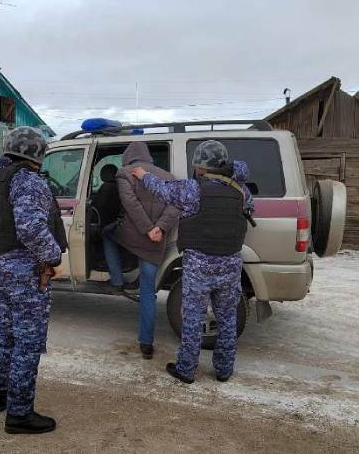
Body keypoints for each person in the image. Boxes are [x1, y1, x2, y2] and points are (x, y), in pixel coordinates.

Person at [132, 140, 253, 383]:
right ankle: (224, 370)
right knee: (227, 319)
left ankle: (186, 370)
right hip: (230, 265)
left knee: (193, 320)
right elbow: (247, 212)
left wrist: (143, 175)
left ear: (200, 165)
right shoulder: (242, 191)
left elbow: (163, 189)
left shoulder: (193, 190)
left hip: (199, 267)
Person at [0, 126, 67, 434]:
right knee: (27, 342)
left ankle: (0, 394)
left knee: (6, 333)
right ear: (37, 153)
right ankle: (19, 414)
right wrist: (54, 256)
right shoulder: (27, 180)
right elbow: (30, 228)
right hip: (25, 271)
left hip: (2, 267)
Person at [102, 142, 180, 359]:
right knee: (147, 292)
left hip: (133, 236)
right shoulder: (169, 177)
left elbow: (131, 205)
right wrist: (159, 228)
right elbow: (176, 205)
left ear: (128, 156)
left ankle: (117, 281)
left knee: (107, 234)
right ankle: (146, 344)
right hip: (155, 243)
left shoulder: (125, 173)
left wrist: (147, 229)